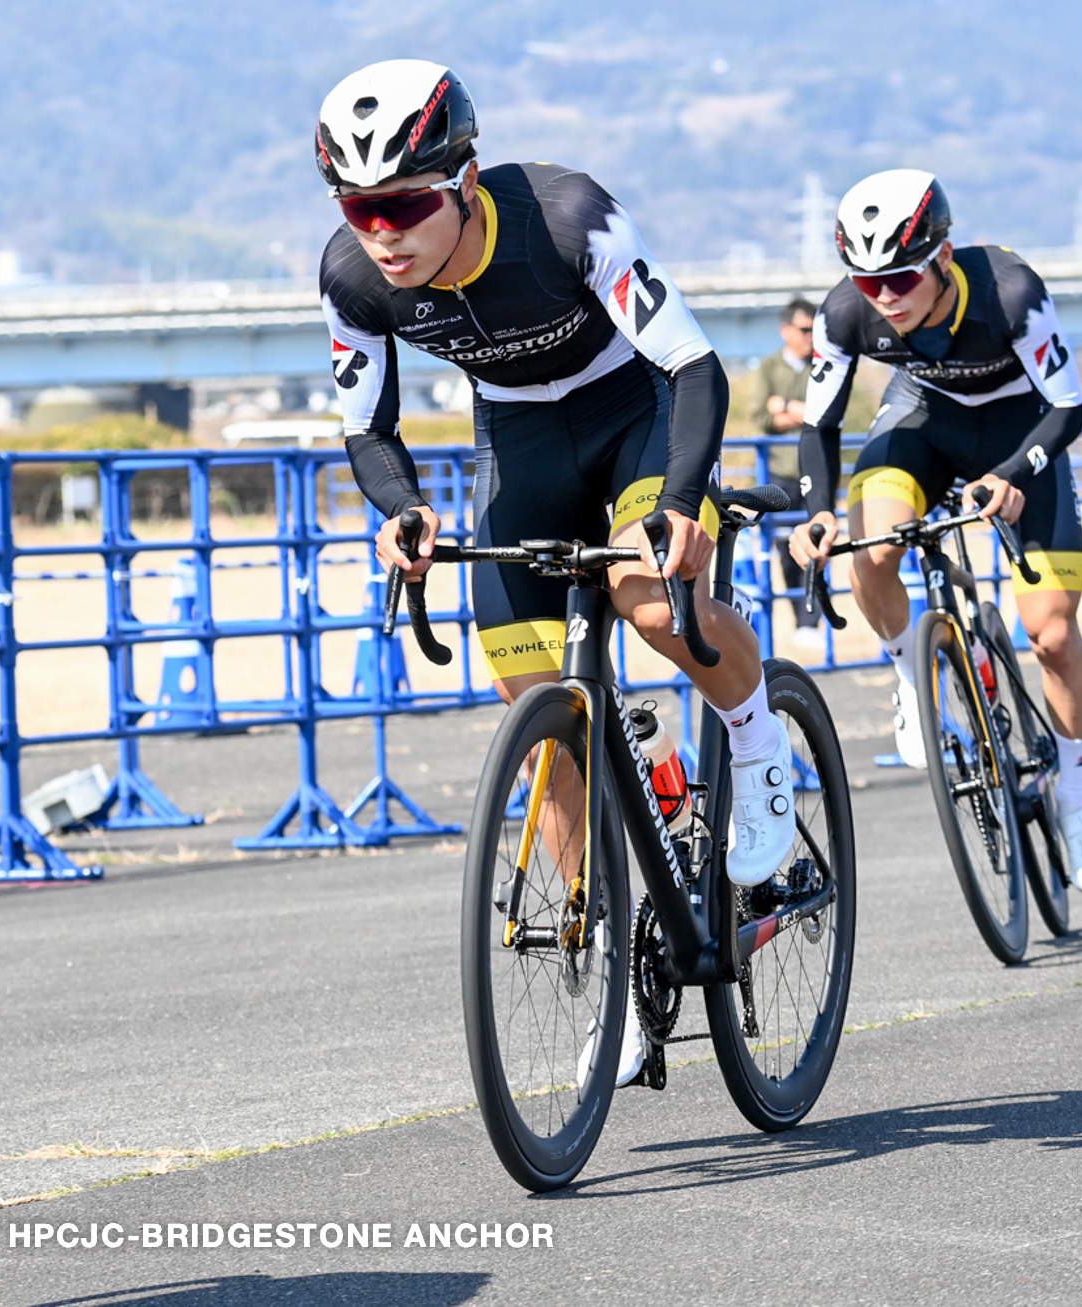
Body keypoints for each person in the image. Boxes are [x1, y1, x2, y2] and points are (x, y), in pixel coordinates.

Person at [315, 60, 796, 1083]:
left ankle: (756, 741)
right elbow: (368, 430)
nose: (382, 231)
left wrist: (675, 504)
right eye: (360, 208)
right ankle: (620, 987)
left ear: (465, 179)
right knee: (540, 723)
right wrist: (401, 512)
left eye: (402, 203)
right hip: (522, 445)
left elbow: (693, 366)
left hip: (639, 417)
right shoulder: (354, 278)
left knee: (646, 597)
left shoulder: (570, 217)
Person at [788, 169, 1082, 891]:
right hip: (924, 424)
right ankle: (913, 673)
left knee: (1054, 636)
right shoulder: (847, 312)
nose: (885, 297)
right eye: (868, 282)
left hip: (1021, 433)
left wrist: (1013, 473)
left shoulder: (1011, 293)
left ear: (942, 254)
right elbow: (821, 422)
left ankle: (1076, 797)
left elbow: (1069, 411)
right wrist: (816, 509)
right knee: (869, 550)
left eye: (900, 278)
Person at [746, 297, 822, 645]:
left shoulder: (823, 363)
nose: (811, 336)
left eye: (815, 329)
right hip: (779, 473)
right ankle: (802, 621)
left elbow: (826, 411)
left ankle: (815, 619)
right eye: (805, 329)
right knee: (785, 547)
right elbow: (761, 416)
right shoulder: (768, 367)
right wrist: (801, 413)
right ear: (786, 330)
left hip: (816, 470)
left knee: (820, 544)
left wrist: (787, 407)